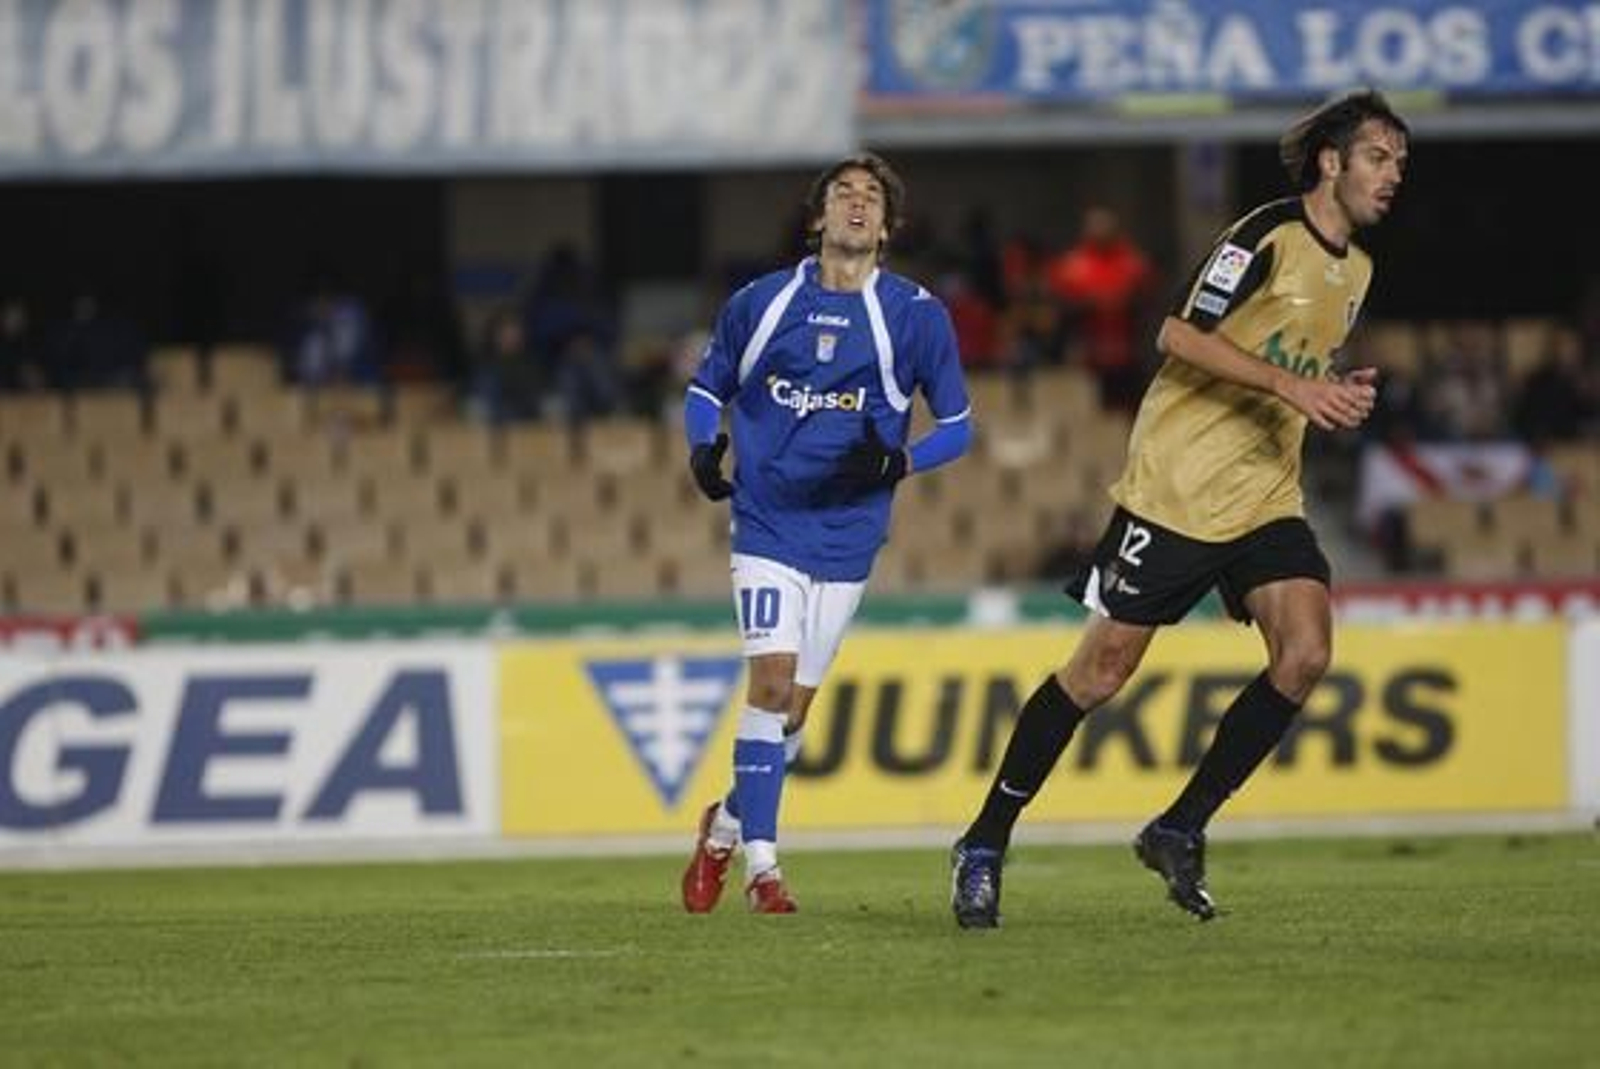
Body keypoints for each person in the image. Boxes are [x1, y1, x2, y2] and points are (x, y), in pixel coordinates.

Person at [950, 89, 1408, 928]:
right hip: (1178, 488)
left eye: (1401, 164)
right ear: (1331, 162)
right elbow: (1176, 335)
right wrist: (1292, 384)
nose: (1393, 176)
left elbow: (1295, 360)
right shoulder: (1263, 236)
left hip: (1266, 492)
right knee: (1100, 674)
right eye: (1379, 158)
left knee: (1304, 654)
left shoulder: (1360, 271)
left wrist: (1330, 392)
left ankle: (1179, 825)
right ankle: (984, 840)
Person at [680, 152, 973, 914]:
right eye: (842, 192)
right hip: (768, 521)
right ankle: (764, 869)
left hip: (849, 533)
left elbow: (961, 427)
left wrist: (899, 460)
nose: (856, 203)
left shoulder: (914, 315)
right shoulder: (763, 302)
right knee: (770, 686)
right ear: (817, 217)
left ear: (887, 225)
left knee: (795, 714)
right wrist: (704, 446)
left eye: (871, 196)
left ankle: (723, 831)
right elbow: (708, 387)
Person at [1046, 206, 1155, 411]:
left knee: (1129, 410)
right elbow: (1060, 309)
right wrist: (1092, 304)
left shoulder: (1134, 263)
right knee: (1088, 412)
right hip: (1087, 355)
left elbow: (1148, 302)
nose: (1100, 232)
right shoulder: (1071, 265)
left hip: (1128, 353)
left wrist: (1120, 302)